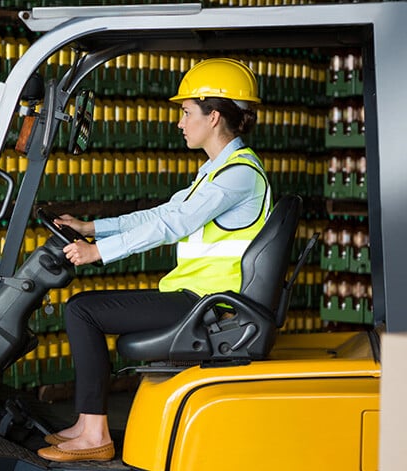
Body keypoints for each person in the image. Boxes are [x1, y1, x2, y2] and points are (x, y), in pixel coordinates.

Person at [37, 57, 272, 463]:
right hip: (202, 297)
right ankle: (85, 423)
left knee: (83, 312)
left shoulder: (238, 176)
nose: (180, 123)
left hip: (210, 303)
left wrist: (99, 254)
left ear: (213, 116)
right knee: (81, 308)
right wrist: (93, 228)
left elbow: (172, 225)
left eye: (185, 113)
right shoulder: (219, 171)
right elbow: (160, 214)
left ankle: (94, 432)